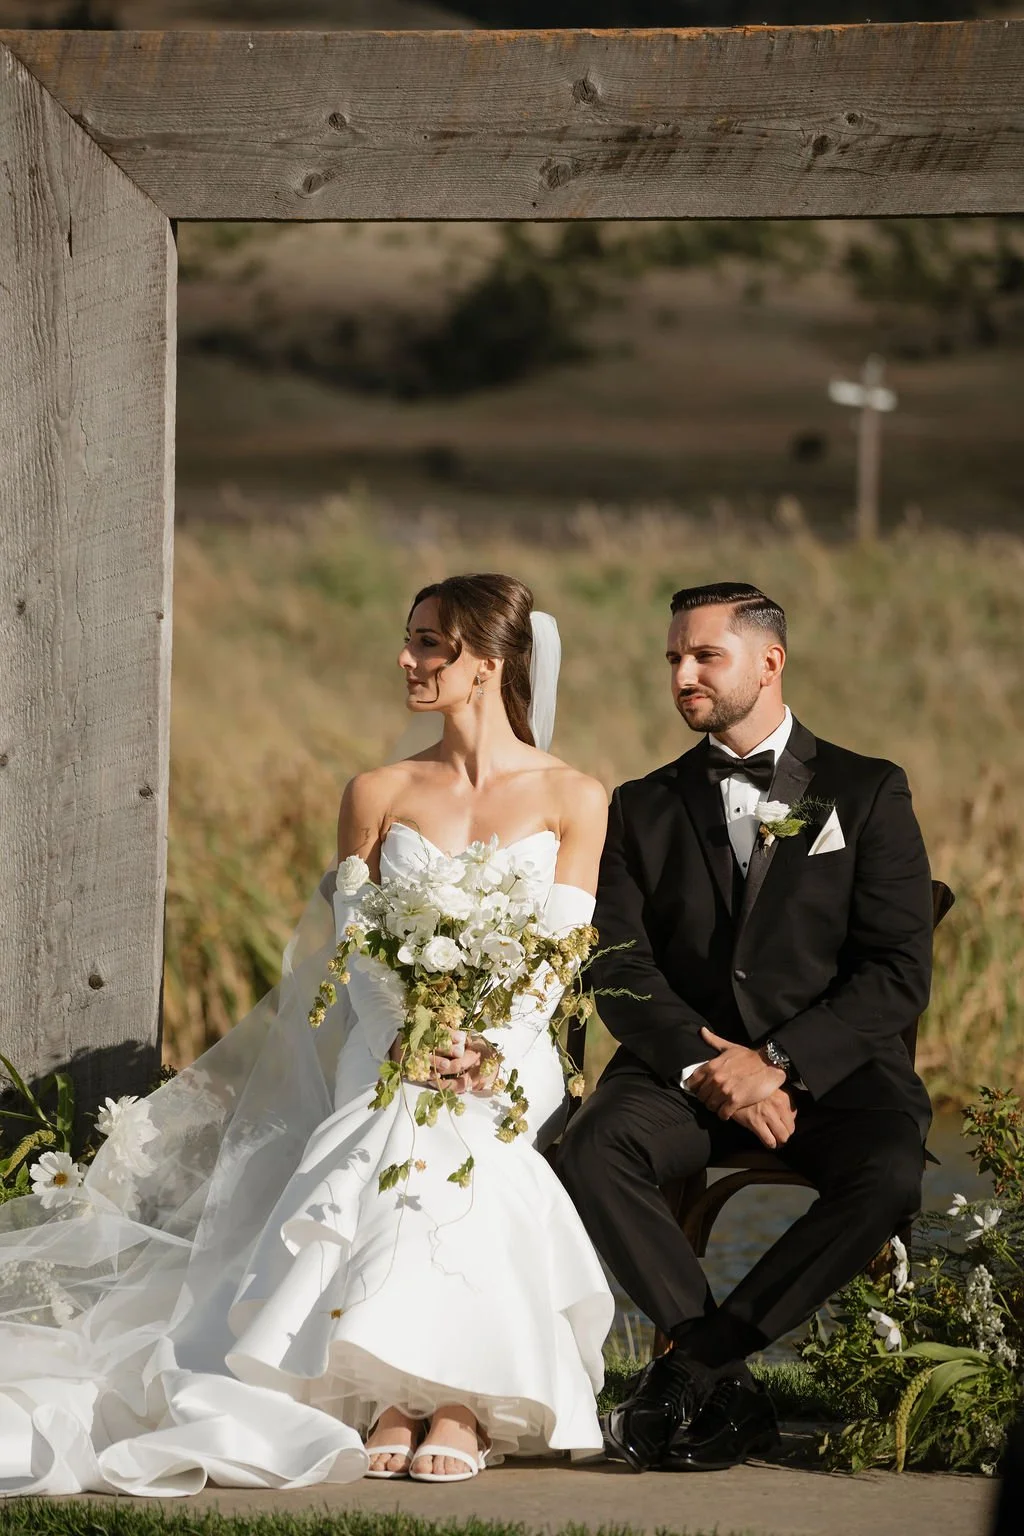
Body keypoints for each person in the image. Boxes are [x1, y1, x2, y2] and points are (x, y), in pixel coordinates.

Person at [0, 573, 613, 1496]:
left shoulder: (577, 796)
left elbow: (560, 954)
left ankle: (450, 1403)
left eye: (430, 645)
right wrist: (414, 1037)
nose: (407, 660)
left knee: (467, 1137)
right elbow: (362, 953)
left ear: (488, 663)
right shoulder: (377, 790)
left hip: (509, 1052)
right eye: (407, 639)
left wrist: (487, 1050)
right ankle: (401, 1400)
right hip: (389, 1035)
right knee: (400, 1115)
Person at [558, 581, 934, 1473]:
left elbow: (896, 972)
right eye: (673, 660)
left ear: (771, 662)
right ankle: (731, 1394)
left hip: (834, 1076)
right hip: (681, 1076)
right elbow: (616, 964)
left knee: (886, 1176)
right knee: (592, 1146)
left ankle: (693, 1366)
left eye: (703, 657)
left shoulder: (868, 790)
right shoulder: (640, 804)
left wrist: (777, 1063)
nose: (683, 675)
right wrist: (700, 1066)